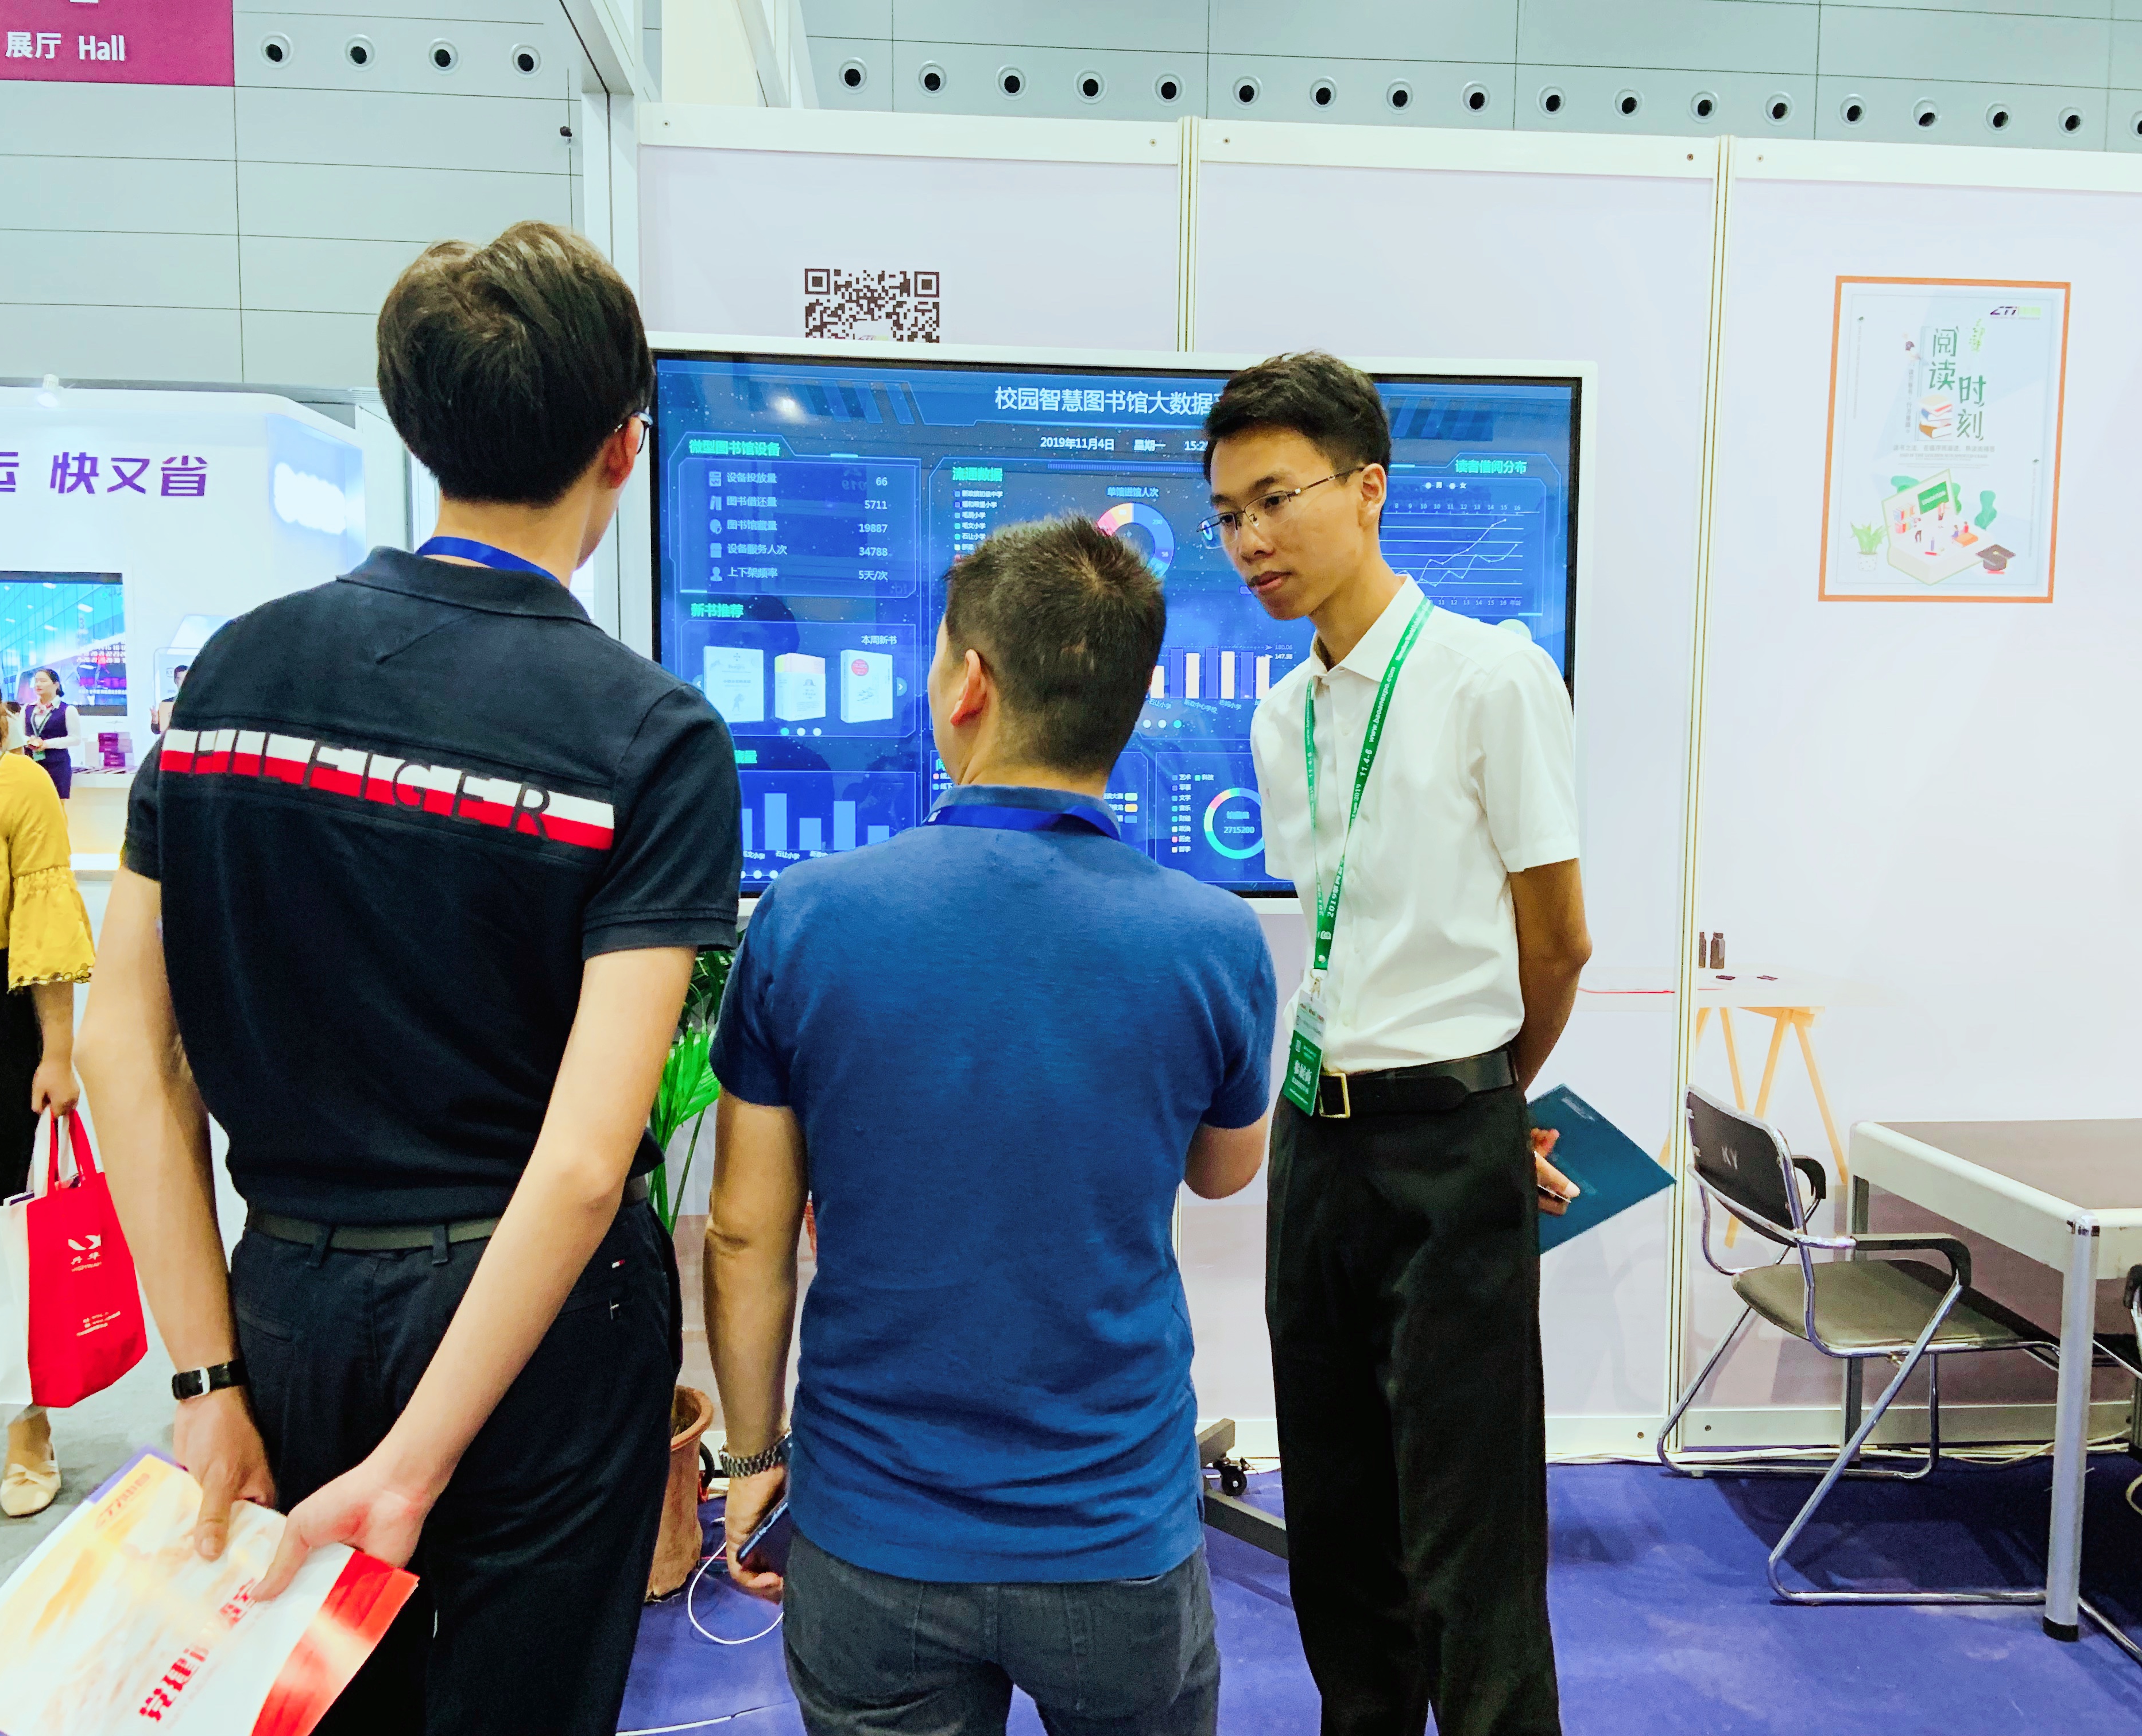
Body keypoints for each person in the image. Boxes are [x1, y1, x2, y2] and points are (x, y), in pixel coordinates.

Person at [79, 221, 743, 1736]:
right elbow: (584, 1161)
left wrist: (207, 1385)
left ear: (417, 427)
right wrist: (421, 1461)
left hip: (289, 1299)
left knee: (307, 1702)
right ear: (624, 448)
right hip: (539, 1328)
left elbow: (126, 1046)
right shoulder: (646, 735)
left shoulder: (231, 677)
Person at [708, 515, 1276, 1736]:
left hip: (872, 1533)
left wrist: (752, 1461)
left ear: (969, 683)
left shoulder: (807, 917)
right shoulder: (1213, 937)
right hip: (1116, 1536)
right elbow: (1226, 1170)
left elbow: (746, 1233)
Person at [1204, 352, 1591, 1736]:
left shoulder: (1492, 677)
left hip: (1450, 1142)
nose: (1251, 540)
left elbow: (1559, 942)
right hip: (1316, 1144)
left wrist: (1488, 1098)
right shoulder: (1279, 716)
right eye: (1228, 515)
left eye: (1276, 499)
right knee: (1336, 1519)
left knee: (1468, 1538)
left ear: (1369, 488)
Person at [0, 614, 94, 1517]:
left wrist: (59, 1052)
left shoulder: (12, 781)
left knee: (4, 1227)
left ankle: (28, 1428)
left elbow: (43, 919)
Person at [21, 666, 76, 801]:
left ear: (56, 685)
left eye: (43, 681)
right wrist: (29, 741)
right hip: (31, 763)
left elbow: (75, 739)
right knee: (31, 804)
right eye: (36, 681)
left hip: (57, 765)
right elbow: (19, 735)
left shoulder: (67, 710)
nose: (38, 684)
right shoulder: (27, 708)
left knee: (56, 805)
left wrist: (46, 744)